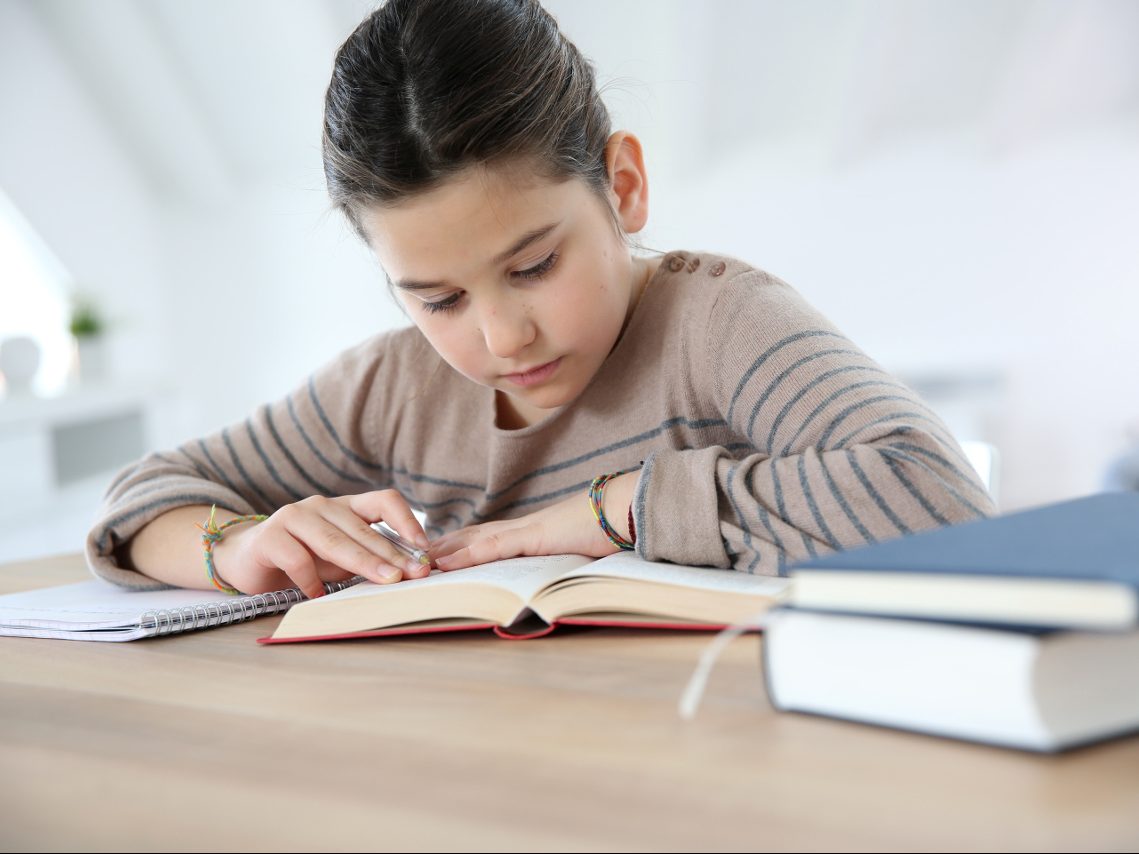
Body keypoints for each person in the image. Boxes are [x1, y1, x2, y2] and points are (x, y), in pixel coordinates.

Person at [87, 0, 995, 600]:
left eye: (532, 267)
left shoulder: (719, 323)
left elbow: (941, 501)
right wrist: (234, 548)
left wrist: (615, 513)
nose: (502, 334)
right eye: (437, 298)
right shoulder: (390, 389)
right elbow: (141, 501)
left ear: (623, 186)